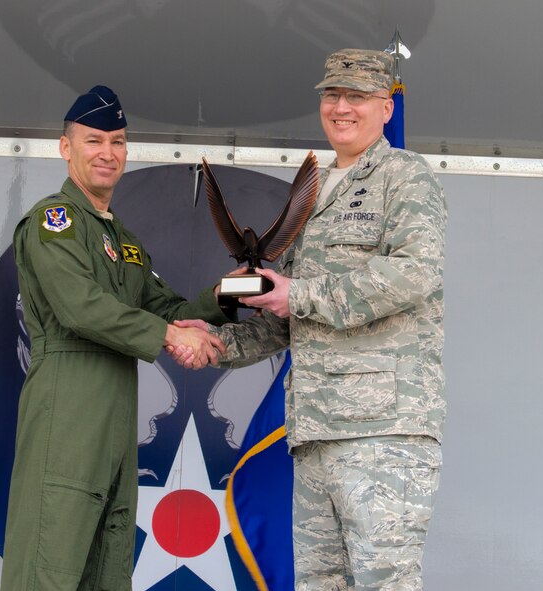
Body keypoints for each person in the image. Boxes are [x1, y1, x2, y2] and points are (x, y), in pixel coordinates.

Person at [173, 49, 447, 590]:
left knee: (384, 582)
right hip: (316, 432)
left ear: (386, 107)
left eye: (357, 96)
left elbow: (414, 273)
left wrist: (297, 292)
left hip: (381, 430)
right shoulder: (315, 190)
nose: (341, 107)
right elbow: (290, 318)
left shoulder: (404, 176)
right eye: (332, 95)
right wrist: (216, 342)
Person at [1, 85, 231, 591]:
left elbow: (166, 310)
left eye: (118, 141)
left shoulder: (122, 240)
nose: (108, 153)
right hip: (68, 407)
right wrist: (169, 334)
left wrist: (226, 295)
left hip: (116, 414)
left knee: (107, 569)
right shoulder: (54, 222)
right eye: (94, 140)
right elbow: (80, 307)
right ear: (66, 148)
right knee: (48, 567)